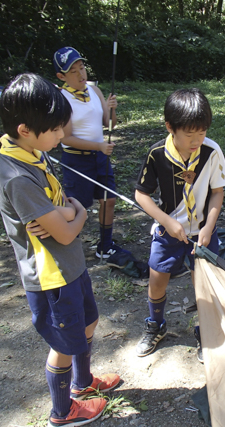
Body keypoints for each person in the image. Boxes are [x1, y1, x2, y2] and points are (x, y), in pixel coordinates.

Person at [0, 73, 121, 427]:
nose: (62, 136)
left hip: (71, 264)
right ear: (25, 128)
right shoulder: (16, 175)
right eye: (55, 130)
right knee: (64, 342)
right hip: (52, 274)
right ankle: (62, 412)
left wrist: (69, 211)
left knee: (88, 322)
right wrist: (77, 213)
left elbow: (64, 206)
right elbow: (65, 229)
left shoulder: (32, 152)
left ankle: (83, 383)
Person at [133, 88, 225, 357]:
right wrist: (165, 220)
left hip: (202, 233)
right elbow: (141, 194)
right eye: (189, 134)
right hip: (168, 232)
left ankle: (205, 331)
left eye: (202, 132)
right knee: (157, 279)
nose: (197, 140)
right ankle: (156, 324)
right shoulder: (157, 155)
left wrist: (208, 228)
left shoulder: (211, 152)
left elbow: (217, 192)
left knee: (204, 285)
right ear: (170, 127)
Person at [53, 47, 147, 277]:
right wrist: (98, 146)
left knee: (109, 199)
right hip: (76, 160)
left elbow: (109, 124)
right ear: (61, 76)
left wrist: (112, 110)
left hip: (100, 157)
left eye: (81, 68)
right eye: (73, 71)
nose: (80, 74)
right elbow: (65, 138)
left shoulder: (94, 90)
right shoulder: (62, 99)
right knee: (78, 207)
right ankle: (69, 251)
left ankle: (105, 246)